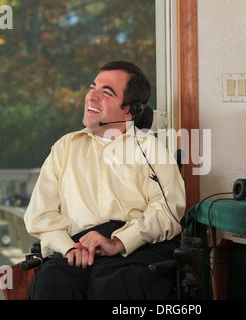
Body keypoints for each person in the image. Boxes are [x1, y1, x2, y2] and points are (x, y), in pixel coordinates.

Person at [24, 61, 186, 299]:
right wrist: (68, 246)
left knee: (113, 285)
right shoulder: (64, 148)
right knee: (50, 282)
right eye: (93, 87)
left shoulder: (151, 150)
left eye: (106, 92)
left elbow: (168, 210)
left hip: (135, 250)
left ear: (131, 110)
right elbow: (41, 215)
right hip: (76, 250)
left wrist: (120, 241)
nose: (92, 96)